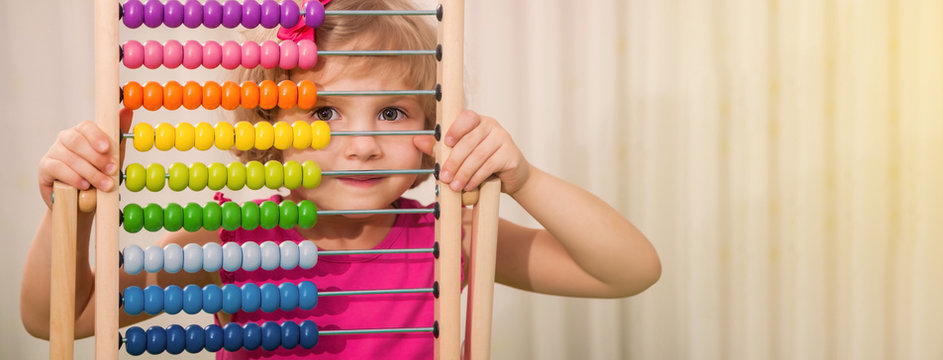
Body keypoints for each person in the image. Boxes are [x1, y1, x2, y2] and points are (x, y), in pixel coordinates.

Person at [21, 0, 661, 358]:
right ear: (267, 132)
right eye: (323, 113)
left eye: (392, 113)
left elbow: (628, 270)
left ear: (429, 133)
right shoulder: (230, 236)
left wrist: (521, 177)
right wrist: (69, 213)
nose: (361, 146)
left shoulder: (449, 238)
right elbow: (62, 319)